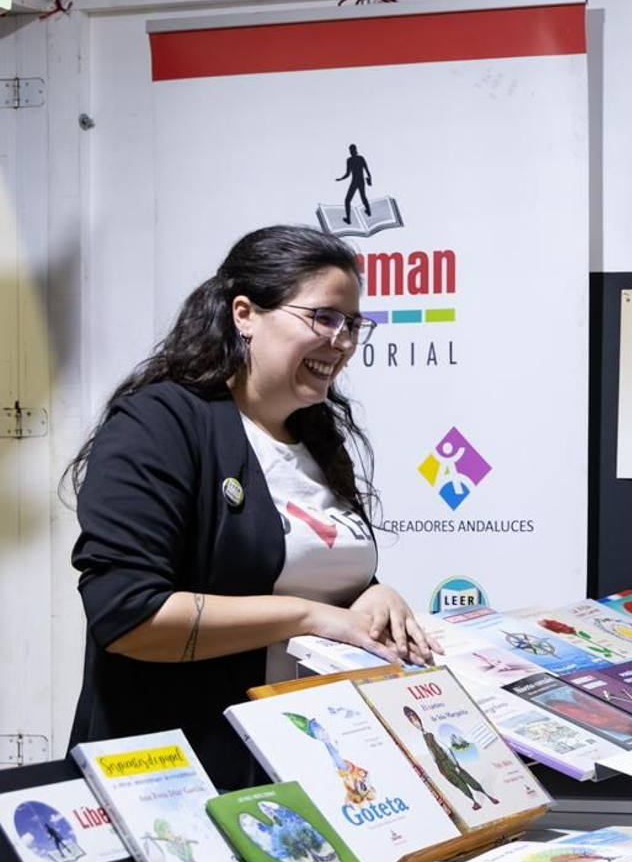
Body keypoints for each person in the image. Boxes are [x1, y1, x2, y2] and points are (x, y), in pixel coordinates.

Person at [66, 225, 437, 789]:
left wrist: (371, 592)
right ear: (245, 315)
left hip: (308, 767)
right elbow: (128, 615)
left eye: (352, 324)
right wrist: (310, 616)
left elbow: (293, 566)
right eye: (323, 317)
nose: (341, 342)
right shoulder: (160, 422)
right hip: (179, 779)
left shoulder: (316, 435)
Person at [335, 144, 372, 224]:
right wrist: (341, 179)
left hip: (357, 181)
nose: (351, 152)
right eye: (350, 150)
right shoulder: (351, 160)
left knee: (358, 198)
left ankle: (367, 211)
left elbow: (366, 170)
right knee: (352, 199)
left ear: (355, 150)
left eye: (352, 150)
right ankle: (350, 218)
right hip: (357, 181)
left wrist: (370, 180)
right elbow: (348, 174)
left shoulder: (357, 159)